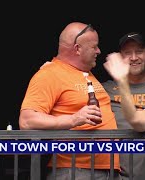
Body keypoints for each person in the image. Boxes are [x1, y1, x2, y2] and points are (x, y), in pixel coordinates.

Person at [19, 22, 120, 180]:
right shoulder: (49, 74)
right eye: (94, 47)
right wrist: (74, 119)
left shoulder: (85, 73)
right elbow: (27, 120)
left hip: (106, 170)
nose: (99, 51)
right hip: (74, 170)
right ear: (77, 49)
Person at [102, 32, 145, 180]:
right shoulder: (105, 89)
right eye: (127, 53)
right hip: (119, 174)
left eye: (139, 52)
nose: (133, 58)